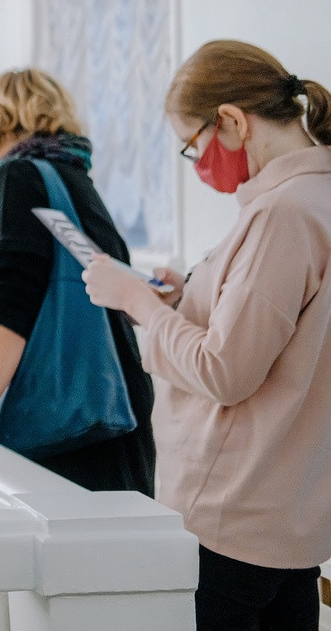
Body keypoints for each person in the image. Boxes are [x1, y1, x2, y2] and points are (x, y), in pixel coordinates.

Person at [83, 40, 331, 631]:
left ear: (232, 121)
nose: (198, 165)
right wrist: (187, 293)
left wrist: (139, 303)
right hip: (291, 512)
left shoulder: (282, 214)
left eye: (193, 146)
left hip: (233, 514)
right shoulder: (311, 199)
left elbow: (226, 371)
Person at [0, 69, 155, 496]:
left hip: (62, 430)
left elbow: (13, 299)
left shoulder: (17, 177)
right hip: (107, 413)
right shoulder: (74, 179)